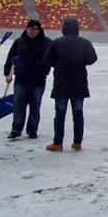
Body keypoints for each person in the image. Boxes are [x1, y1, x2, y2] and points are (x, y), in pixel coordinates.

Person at [43, 18, 98, 152]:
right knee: (78, 114)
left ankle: (58, 143)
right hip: (79, 83)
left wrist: (59, 63)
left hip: (61, 83)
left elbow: (47, 60)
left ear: (64, 29)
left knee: (60, 114)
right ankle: (77, 143)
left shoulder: (56, 43)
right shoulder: (85, 43)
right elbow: (92, 59)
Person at [4, 20, 51, 139]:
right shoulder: (19, 42)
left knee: (35, 105)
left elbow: (49, 60)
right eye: (29, 28)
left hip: (38, 80)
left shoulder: (46, 43)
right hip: (21, 78)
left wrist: (43, 69)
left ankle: (32, 130)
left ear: (39, 31)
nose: (31, 31)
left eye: (34, 29)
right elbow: (10, 58)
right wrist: (7, 73)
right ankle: (16, 129)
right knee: (18, 104)